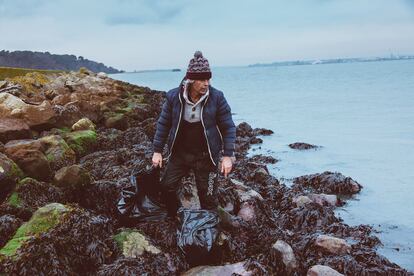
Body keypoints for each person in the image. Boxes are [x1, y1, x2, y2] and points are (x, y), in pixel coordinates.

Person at [152, 51, 236, 217]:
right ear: (191, 80)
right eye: (202, 80)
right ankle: (176, 216)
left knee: (209, 197)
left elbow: (228, 127)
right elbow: (164, 123)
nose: (206, 83)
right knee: (166, 187)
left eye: (208, 79)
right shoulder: (173, 97)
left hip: (206, 156)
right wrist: (157, 151)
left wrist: (227, 155)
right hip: (180, 154)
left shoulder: (217, 97)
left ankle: (210, 231)